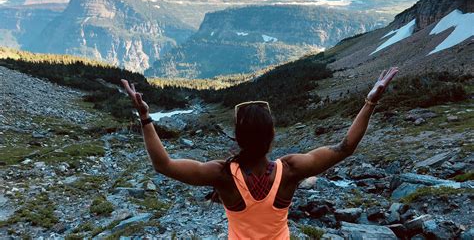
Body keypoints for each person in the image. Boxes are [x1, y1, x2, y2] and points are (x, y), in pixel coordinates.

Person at [121, 67, 398, 239]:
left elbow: (164, 164)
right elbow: (345, 148)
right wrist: (370, 102)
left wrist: (145, 117)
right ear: (271, 136)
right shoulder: (290, 170)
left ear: (238, 137)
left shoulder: (223, 174)